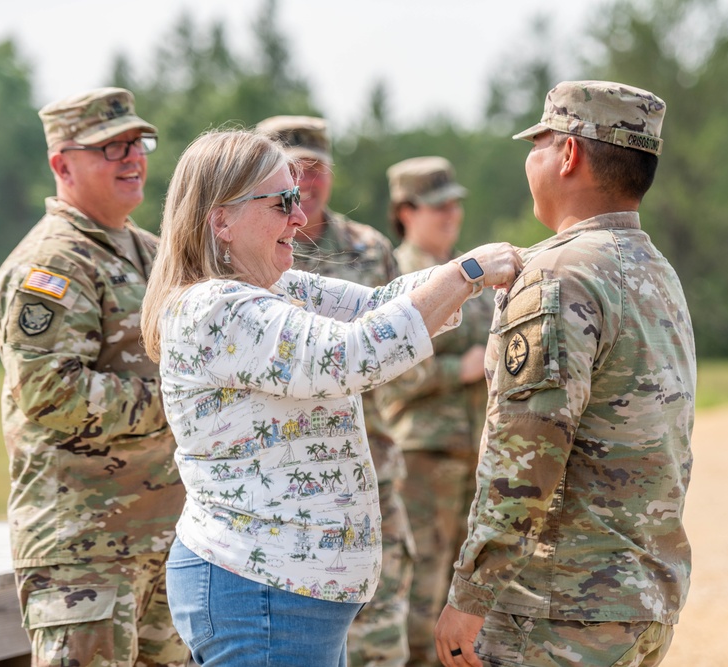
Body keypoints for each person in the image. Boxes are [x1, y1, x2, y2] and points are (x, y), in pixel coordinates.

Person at [138, 128, 522, 667]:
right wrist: (469, 272)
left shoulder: (274, 287)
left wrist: (494, 270)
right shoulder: (214, 309)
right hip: (261, 595)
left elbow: (384, 303)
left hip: (282, 595)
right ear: (221, 219)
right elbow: (350, 355)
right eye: (281, 202)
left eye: (296, 199)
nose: (299, 217)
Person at [433, 80, 696, 667]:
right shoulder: (657, 271)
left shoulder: (558, 275)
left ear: (569, 154)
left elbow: (525, 456)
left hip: (558, 607)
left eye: (539, 143)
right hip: (640, 597)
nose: (530, 159)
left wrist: (471, 595)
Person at [0, 87, 188, 667]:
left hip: (165, 543)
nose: (131, 158)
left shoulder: (154, 254)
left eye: (136, 142)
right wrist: (181, 400)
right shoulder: (52, 264)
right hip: (85, 553)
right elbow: (52, 394)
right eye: (109, 147)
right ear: (61, 164)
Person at [254, 114, 413, 667]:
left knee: (378, 634)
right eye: (293, 170)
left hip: (370, 461)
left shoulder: (369, 248)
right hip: (284, 475)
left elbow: (404, 349)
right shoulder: (247, 254)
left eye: (316, 169)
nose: (307, 182)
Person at [373, 156, 494, 666]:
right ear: (405, 211)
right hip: (421, 460)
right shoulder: (395, 278)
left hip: (478, 457)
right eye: (435, 206)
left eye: (454, 204)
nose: (450, 215)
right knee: (423, 597)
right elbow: (380, 372)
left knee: (471, 600)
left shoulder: (480, 274)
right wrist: (456, 370)